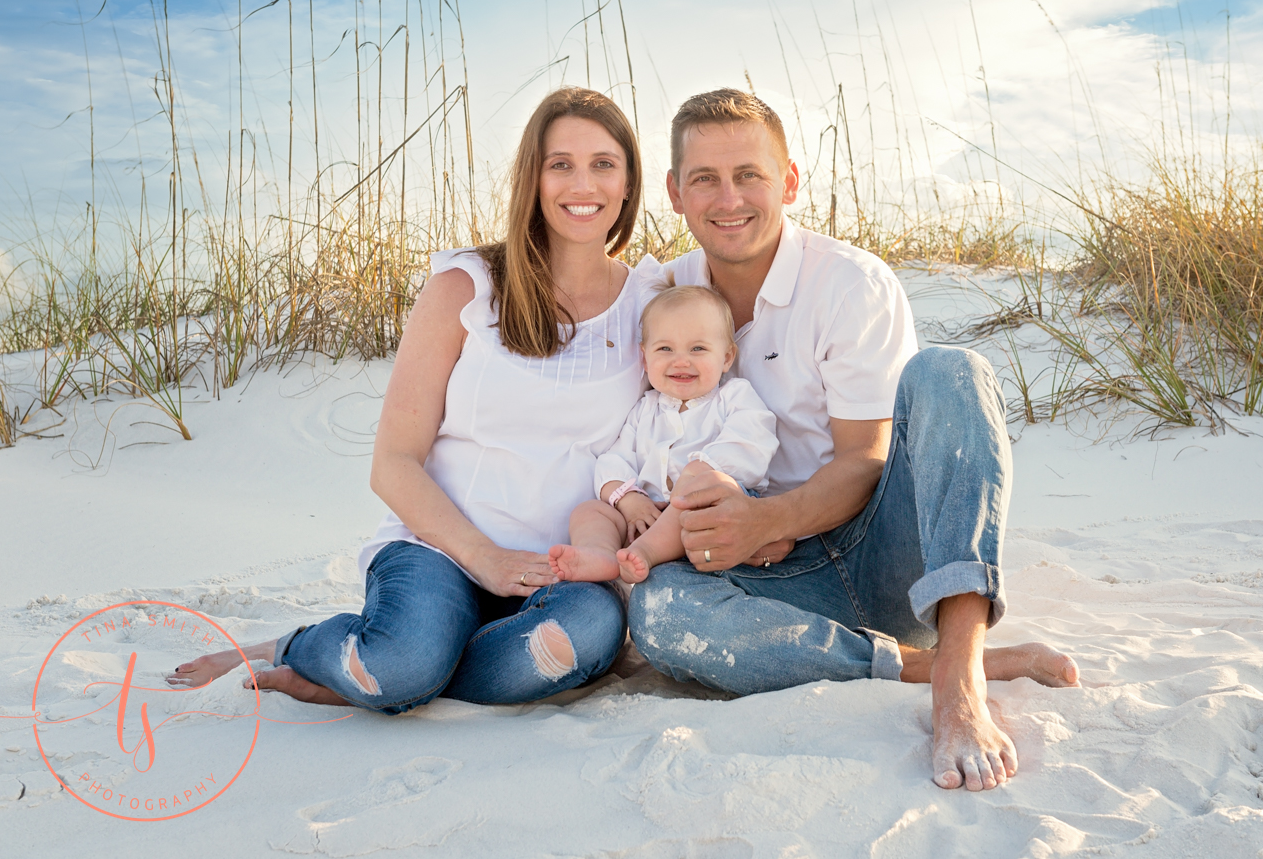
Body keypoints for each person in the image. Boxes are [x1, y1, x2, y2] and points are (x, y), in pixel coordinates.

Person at [627, 89, 1081, 792]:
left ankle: (959, 668)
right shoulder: (664, 294)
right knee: (658, 610)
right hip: (773, 588)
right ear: (674, 193)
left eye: (749, 173)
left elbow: (866, 458)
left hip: (882, 553)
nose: (728, 197)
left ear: (790, 180)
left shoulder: (848, 282)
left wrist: (766, 519)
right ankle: (914, 664)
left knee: (952, 370)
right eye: (704, 179)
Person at [168, 87, 662, 711]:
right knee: (406, 662)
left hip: (567, 570)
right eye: (559, 163)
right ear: (532, 180)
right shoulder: (468, 286)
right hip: (443, 551)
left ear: (628, 182)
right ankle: (304, 649)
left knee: (581, 639)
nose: (581, 183)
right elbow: (394, 462)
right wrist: (485, 559)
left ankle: (373, 678)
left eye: (603, 164)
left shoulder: (652, 300)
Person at [547, 284, 779, 586]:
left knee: (705, 480)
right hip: (646, 513)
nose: (681, 361)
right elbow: (614, 459)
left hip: (706, 517)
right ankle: (600, 554)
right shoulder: (645, 409)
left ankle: (646, 552)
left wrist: (696, 475)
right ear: (644, 358)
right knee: (589, 511)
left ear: (726, 357)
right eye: (665, 349)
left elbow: (750, 442)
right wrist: (629, 500)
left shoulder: (733, 397)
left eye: (698, 348)